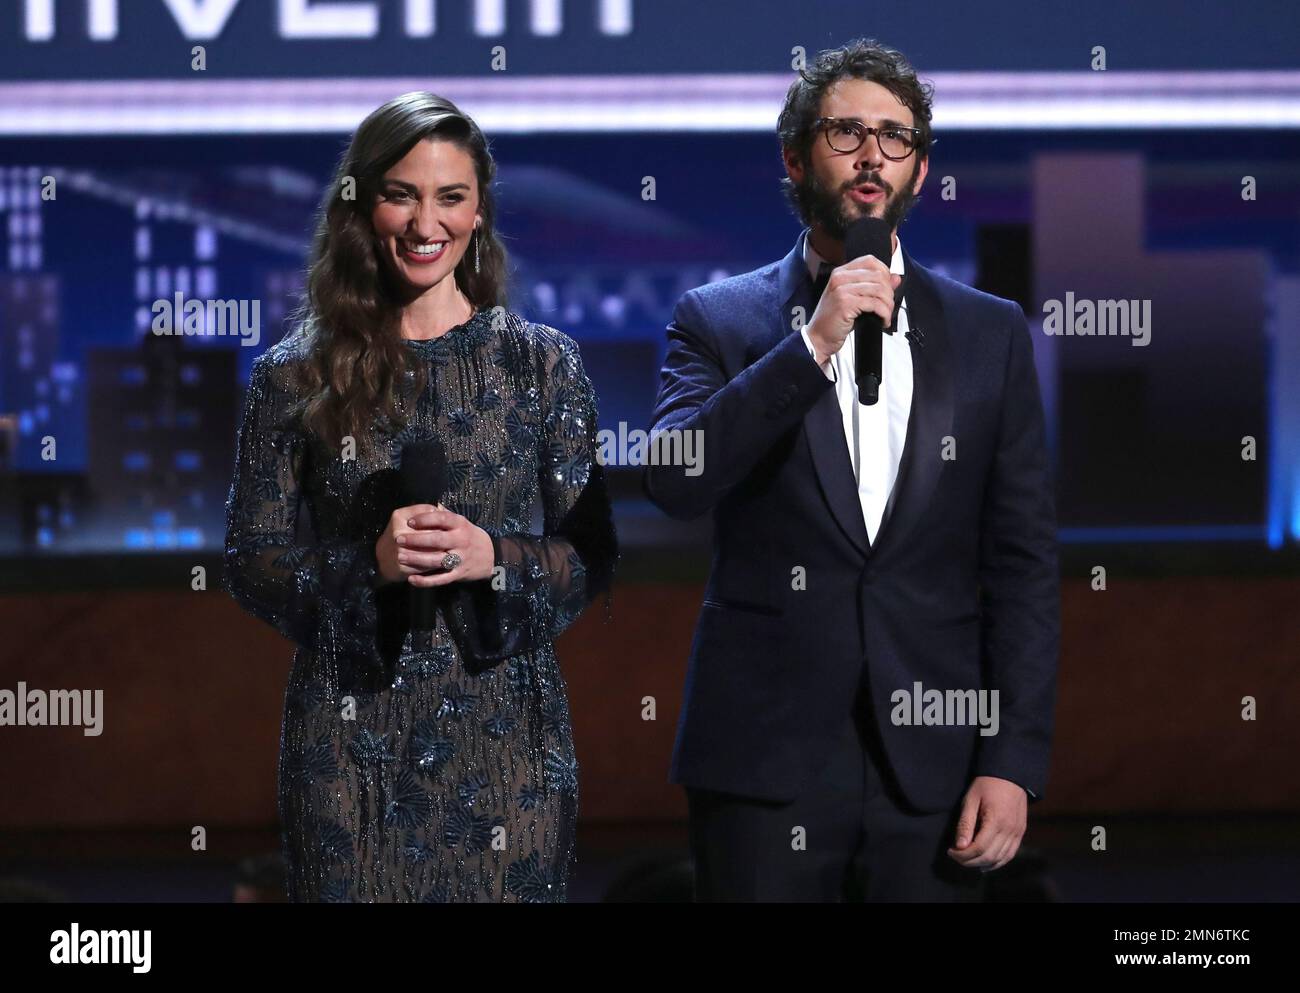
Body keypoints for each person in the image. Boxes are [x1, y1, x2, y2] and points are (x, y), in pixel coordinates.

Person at [643, 39, 1059, 901]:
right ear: (795, 157)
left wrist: (1013, 759)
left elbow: (1021, 565)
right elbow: (677, 479)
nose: (873, 153)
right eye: (846, 132)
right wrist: (814, 344)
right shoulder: (718, 320)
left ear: (920, 166)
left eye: (895, 137)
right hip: (763, 765)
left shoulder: (990, 333)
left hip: (936, 764)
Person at [223, 92, 616, 903]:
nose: (424, 222)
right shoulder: (292, 375)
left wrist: (495, 557)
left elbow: (592, 556)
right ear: (362, 206)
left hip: (508, 745)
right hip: (349, 746)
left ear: (478, 213)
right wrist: (369, 564)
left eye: (451, 196)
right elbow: (250, 560)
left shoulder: (542, 366)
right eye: (401, 194)